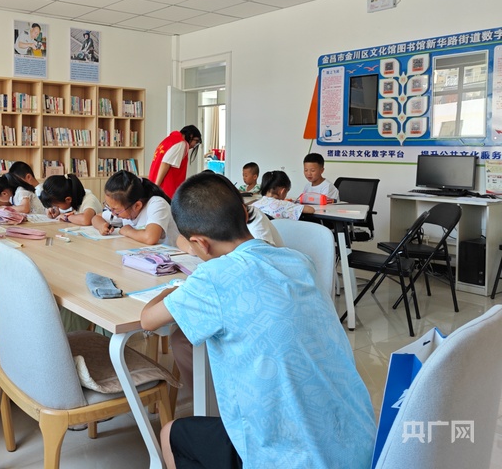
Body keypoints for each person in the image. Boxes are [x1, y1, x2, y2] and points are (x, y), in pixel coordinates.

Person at [141, 172, 375, 469]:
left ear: (199, 243)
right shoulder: (298, 260)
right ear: (244, 212)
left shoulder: (213, 278)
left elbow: (148, 320)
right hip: (364, 445)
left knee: (170, 434)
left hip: (291, 460)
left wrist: (173, 290)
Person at [91, 170, 179, 245]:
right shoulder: (125, 209)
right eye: (110, 208)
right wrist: (101, 226)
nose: (113, 213)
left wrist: (127, 231)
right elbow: (96, 217)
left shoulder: (157, 204)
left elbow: (150, 238)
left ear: (137, 206)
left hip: (171, 256)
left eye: (115, 210)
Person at [148, 125, 202, 198]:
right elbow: (165, 163)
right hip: (165, 190)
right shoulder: (181, 144)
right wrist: (156, 187)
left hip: (154, 184)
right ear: (191, 135)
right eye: (196, 141)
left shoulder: (169, 140)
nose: (194, 145)